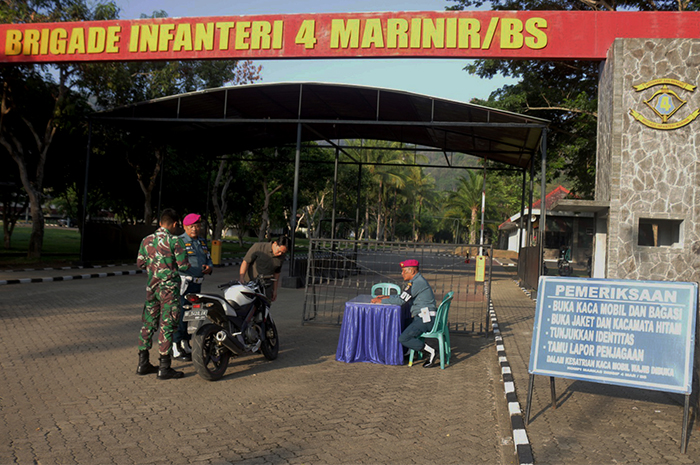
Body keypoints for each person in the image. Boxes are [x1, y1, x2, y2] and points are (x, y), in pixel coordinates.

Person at [135, 208, 190, 380]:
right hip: (169, 291)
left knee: (148, 323)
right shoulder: (175, 241)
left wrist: (154, 267)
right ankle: (164, 367)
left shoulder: (146, 240)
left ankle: (143, 363)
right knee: (167, 325)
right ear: (175, 224)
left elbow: (140, 263)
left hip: (152, 289)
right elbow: (184, 266)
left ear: (160, 223)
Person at [372, 259, 440, 368]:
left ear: (412, 271)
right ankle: (412, 350)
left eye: (404, 271)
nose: (402, 273)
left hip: (425, 319)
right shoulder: (415, 281)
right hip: (422, 316)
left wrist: (381, 301)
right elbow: (403, 296)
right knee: (402, 324)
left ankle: (431, 352)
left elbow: (401, 301)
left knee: (403, 338)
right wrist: (386, 297)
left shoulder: (418, 283)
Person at [172, 213, 213, 362]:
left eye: (197, 226)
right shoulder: (179, 241)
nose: (195, 229)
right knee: (181, 314)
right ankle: (175, 346)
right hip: (185, 283)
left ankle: (185, 342)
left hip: (197, 283)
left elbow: (208, 258)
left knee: (192, 315)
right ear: (185, 227)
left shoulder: (202, 241)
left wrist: (209, 267)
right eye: (191, 226)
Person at [239, 236, 289, 301]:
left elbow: (276, 273)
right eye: (279, 251)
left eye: (283, 253)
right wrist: (242, 277)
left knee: (265, 305)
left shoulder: (282, 257)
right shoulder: (259, 247)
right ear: (275, 243)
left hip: (267, 287)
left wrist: (275, 290)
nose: (280, 254)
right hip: (251, 285)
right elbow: (246, 262)